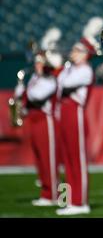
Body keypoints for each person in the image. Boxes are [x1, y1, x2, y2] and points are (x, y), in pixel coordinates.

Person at [55, 17, 103, 216]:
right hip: (65, 114)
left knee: (77, 160)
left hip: (75, 115)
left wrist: (60, 67)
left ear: (86, 55)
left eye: (77, 51)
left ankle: (80, 201)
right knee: (66, 159)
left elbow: (63, 84)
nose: (73, 53)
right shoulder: (72, 68)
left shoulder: (84, 70)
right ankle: (66, 200)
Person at [15, 28, 63, 206]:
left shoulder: (50, 79)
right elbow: (28, 96)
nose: (37, 65)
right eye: (36, 62)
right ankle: (46, 193)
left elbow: (36, 96)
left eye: (40, 62)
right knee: (39, 159)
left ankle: (53, 194)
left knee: (48, 159)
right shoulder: (35, 78)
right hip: (35, 119)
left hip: (46, 121)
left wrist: (24, 91)